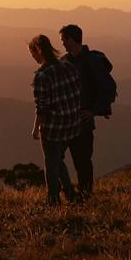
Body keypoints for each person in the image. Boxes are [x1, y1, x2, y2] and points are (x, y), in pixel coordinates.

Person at [28, 34, 83, 205]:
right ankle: (70, 195)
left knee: (50, 163)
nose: (34, 59)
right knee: (57, 158)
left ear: (38, 51)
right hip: (72, 123)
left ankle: (53, 200)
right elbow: (77, 92)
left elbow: (42, 107)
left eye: (33, 55)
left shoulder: (42, 76)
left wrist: (36, 128)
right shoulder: (68, 66)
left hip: (54, 125)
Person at [59, 23, 99, 200]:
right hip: (67, 121)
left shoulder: (91, 61)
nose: (62, 44)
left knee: (82, 161)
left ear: (71, 40)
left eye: (63, 40)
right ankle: (70, 193)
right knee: (58, 158)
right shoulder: (65, 62)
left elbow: (108, 89)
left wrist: (93, 111)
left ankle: (85, 195)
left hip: (82, 121)